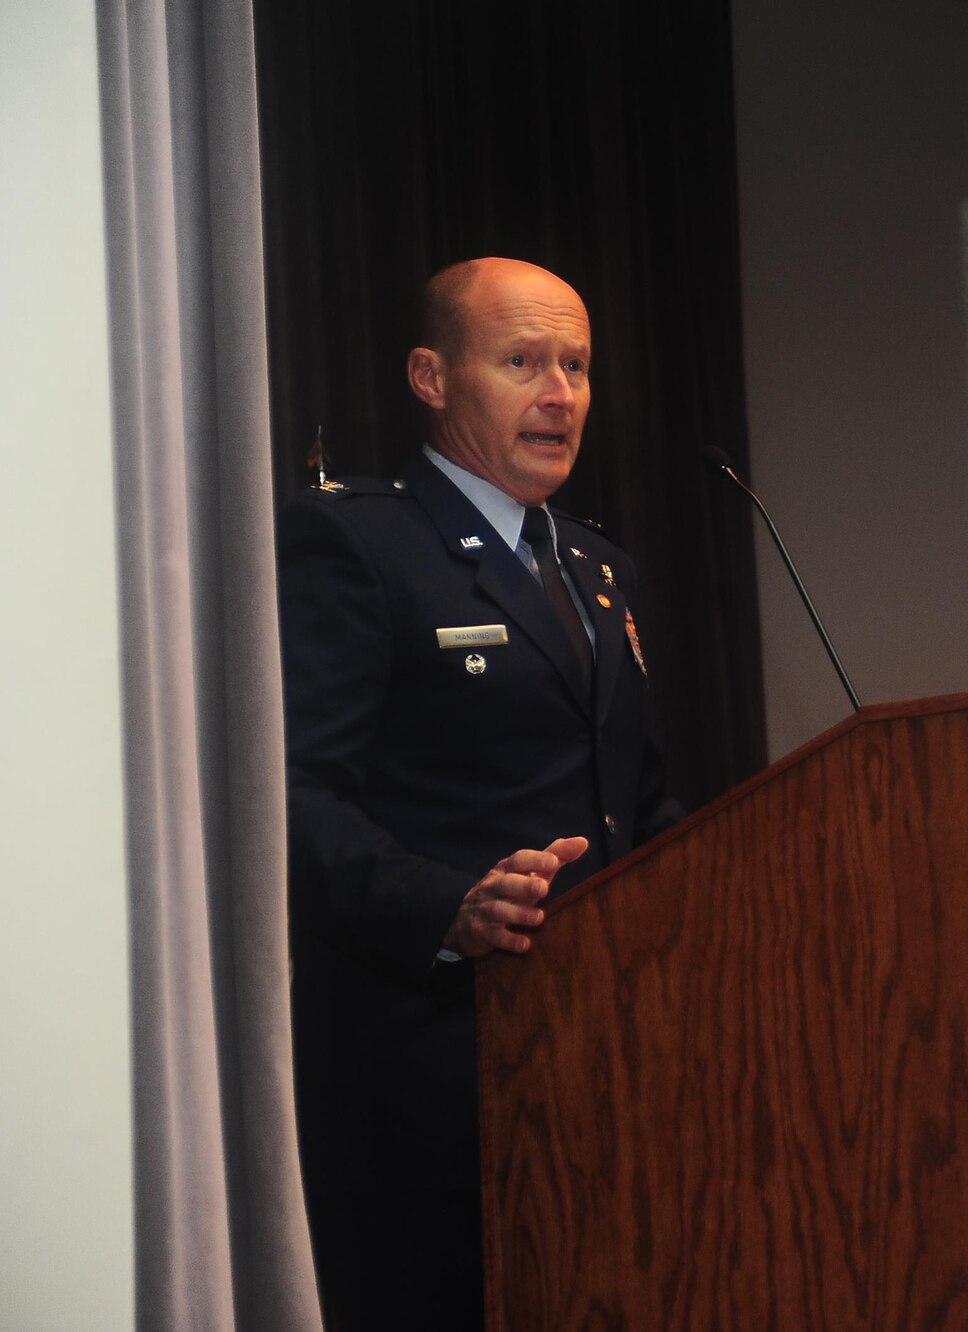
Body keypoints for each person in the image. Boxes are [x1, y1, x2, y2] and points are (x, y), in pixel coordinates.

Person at [279, 258, 678, 1329]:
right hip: (424, 1086)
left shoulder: (601, 571)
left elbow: (635, 805)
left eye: (578, 366)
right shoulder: (355, 542)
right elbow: (286, 800)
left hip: (597, 1073)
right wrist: (443, 906)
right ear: (430, 375)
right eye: (522, 362)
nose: (560, 394)